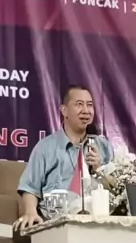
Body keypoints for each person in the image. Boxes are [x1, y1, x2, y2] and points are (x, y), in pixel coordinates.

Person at [14, 85, 113, 230]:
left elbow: (117, 189)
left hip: (97, 224)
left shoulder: (102, 146)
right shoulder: (46, 147)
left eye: (89, 105)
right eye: (79, 104)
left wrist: (99, 168)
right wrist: (30, 212)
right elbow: (29, 187)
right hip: (57, 224)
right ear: (64, 110)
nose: (86, 110)